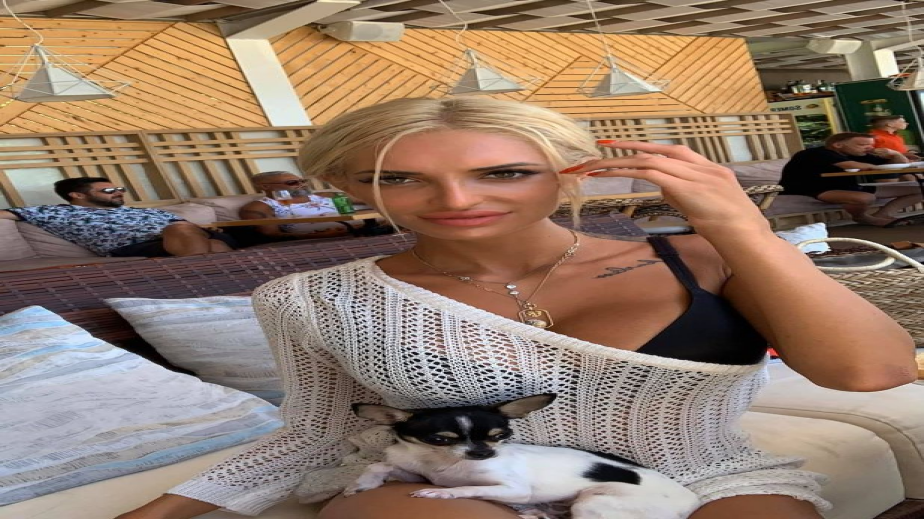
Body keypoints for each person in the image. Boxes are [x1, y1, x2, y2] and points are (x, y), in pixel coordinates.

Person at [117, 98, 915, 519]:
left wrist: (739, 224)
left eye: (502, 172)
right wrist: (151, 513)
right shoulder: (310, 297)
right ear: (350, 187)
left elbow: (870, 369)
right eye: (399, 178)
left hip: (703, 474)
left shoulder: (700, 255)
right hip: (452, 482)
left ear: (569, 173)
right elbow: (315, 432)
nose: (456, 199)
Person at [0, 177, 235, 257]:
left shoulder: (137, 211)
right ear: (77, 195)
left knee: (215, 241)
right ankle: (202, 273)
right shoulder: (53, 212)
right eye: (109, 190)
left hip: (186, 236)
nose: (119, 192)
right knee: (185, 231)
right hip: (132, 246)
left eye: (120, 189)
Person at [779, 132, 922, 226]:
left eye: (871, 145)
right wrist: (883, 165)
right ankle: (862, 218)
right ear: (838, 145)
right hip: (811, 188)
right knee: (865, 198)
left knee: (920, 188)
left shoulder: (858, 154)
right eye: (862, 145)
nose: (868, 148)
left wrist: (894, 154)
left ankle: (884, 214)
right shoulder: (816, 153)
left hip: (847, 186)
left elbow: (899, 165)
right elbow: (854, 166)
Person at [238, 171, 361, 240]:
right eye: (292, 183)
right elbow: (271, 235)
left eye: (303, 181)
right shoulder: (259, 207)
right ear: (265, 186)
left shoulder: (328, 195)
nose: (302, 185)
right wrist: (321, 236)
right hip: (325, 238)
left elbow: (370, 200)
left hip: (363, 229)